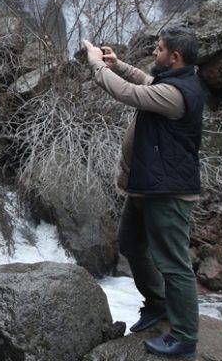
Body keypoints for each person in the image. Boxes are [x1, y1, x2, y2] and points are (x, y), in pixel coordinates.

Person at [82, 29, 204, 358]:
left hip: (167, 191)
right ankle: (158, 303)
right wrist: (117, 63)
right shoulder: (175, 79)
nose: (154, 52)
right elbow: (144, 82)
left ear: (175, 57)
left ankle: (184, 337)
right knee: (131, 244)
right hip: (148, 185)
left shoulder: (177, 94)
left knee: (175, 265)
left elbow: (129, 93)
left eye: (160, 49)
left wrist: (97, 66)